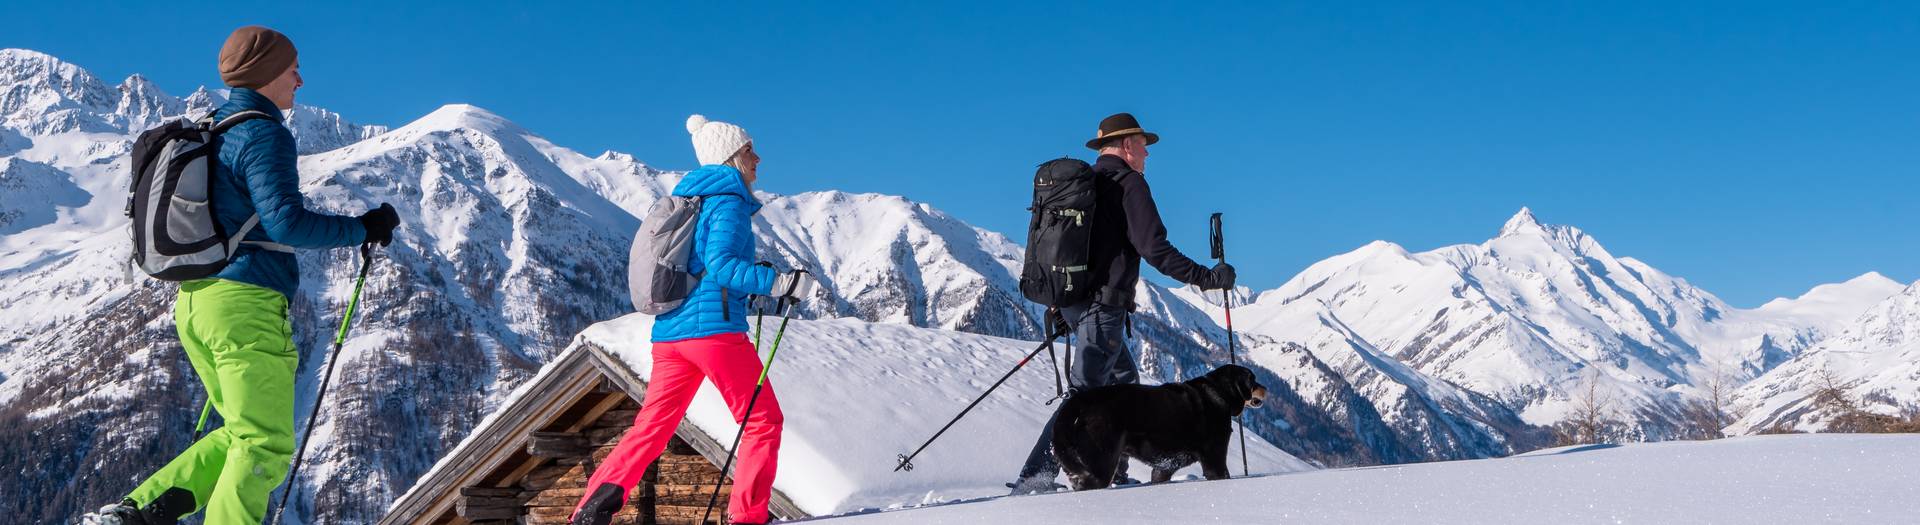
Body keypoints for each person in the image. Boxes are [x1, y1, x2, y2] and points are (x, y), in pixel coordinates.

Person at [84, 26, 400, 525]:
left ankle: (132, 517)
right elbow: (286, 222)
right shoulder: (262, 133)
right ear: (267, 71)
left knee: (239, 431)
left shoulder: (214, 128)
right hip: (245, 303)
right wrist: (362, 227)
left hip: (196, 302)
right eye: (292, 67)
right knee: (264, 444)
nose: (300, 79)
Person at [571, 115, 816, 525]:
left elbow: (706, 266)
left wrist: (751, 279)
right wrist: (779, 282)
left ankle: (590, 510)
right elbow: (721, 267)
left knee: (652, 427)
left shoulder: (692, 202)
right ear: (731, 158)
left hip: (671, 335)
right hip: (714, 334)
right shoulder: (728, 202)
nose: (758, 157)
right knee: (763, 421)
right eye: (749, 150)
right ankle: (748, 516)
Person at [1008, 112, 1236, 494]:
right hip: (1103, 308)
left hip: (1078, 304)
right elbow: (1155, 250)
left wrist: (1069, 307)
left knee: (1125, 384)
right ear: (1128, 145)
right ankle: (1036, 478)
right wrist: (1207, 278)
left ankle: (1112, 468)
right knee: (1083, 400)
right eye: (1144, 146)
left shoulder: (1089, 185)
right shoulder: (1130, 185)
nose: (1147, 154)